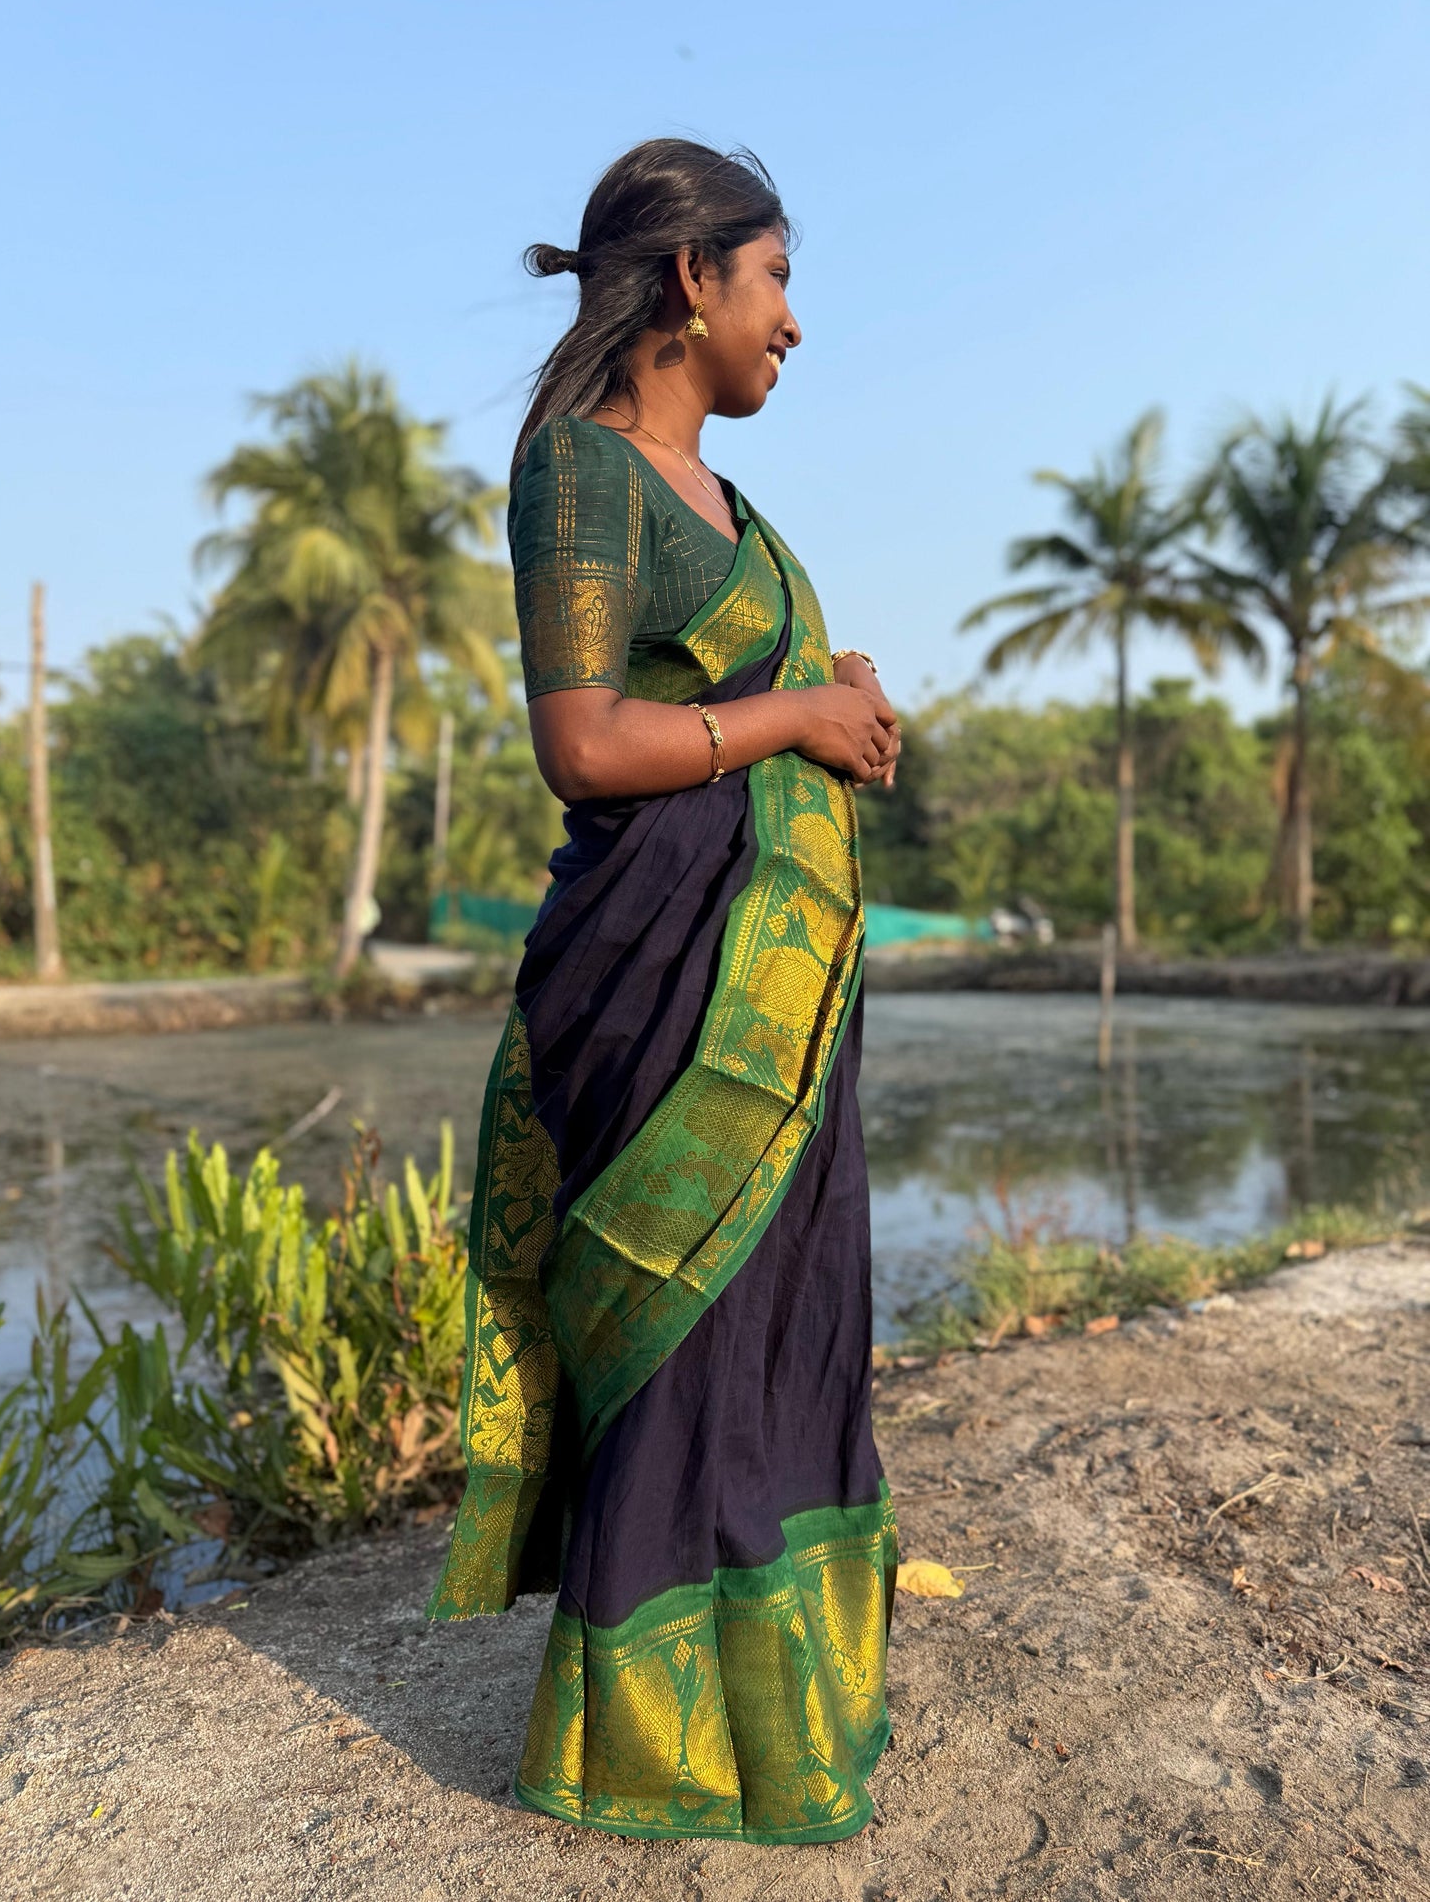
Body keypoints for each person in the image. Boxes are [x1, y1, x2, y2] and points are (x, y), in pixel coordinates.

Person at [428, 137, 902, 1846]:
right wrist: (791, 715)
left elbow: (740, 706)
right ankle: (644, 1747)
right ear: (693, 280)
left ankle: (783, 1719)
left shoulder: (735, 513)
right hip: (656, 973)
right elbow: (581, 744)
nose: (792, 322)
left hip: (770, 977)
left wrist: (833, 698)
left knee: (782, 1320)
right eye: (774, 279)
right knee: (681, 1329)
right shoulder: (584, 472)